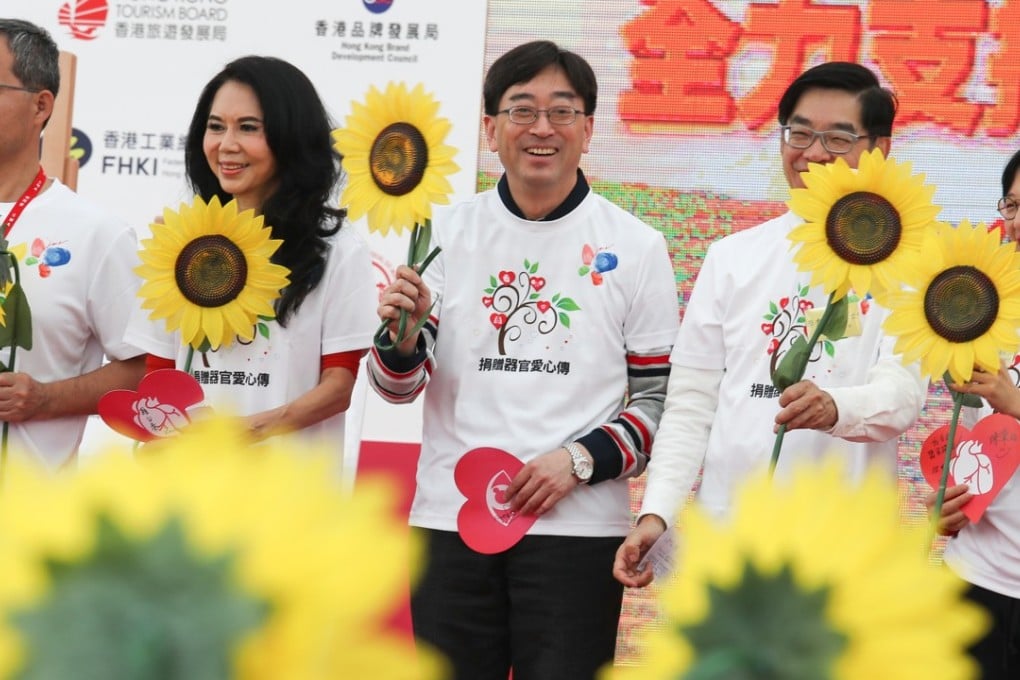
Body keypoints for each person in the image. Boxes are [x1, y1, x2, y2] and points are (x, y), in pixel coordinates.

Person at [367, 40, 680, 679]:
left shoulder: (637, 246)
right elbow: (397, 387)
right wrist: (400, 341)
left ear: (588, 130)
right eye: (522, 110)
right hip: (450, 518)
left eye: (562, 111)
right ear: (490, 129)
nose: (542, 128)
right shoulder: (444, 232)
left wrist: (578, 461)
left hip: (577, 529)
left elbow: (660, 401)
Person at [614, 61, 927, 587]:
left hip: (844, 556)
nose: (814, 153)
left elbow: (903, 394)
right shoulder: (733, 257)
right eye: (800, 133)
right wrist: (657, 512)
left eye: (838, 138)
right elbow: (692, 403)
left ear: (880, 149)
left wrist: (835, 407)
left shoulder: (909, 268)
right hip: (729, 545)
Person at [126, 56, 377, 446]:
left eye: (248, 128)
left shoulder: (337, 250)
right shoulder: (178, 242)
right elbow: (158, 375)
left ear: (291, 136)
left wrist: (247, 430)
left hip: (288, 480)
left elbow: (338, 387)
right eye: (215, 127)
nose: (226, 145)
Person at [0, 19, 145, 468]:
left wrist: (45, 399)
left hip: (28, 505)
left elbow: (145, 367)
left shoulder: (95, 233)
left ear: (41, 105)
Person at [929, 149, 1020, 679]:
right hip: (973, 577)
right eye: (1013, 205)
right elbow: (978, 442)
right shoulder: (984, 307)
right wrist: (950, 501)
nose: (1017, 221)